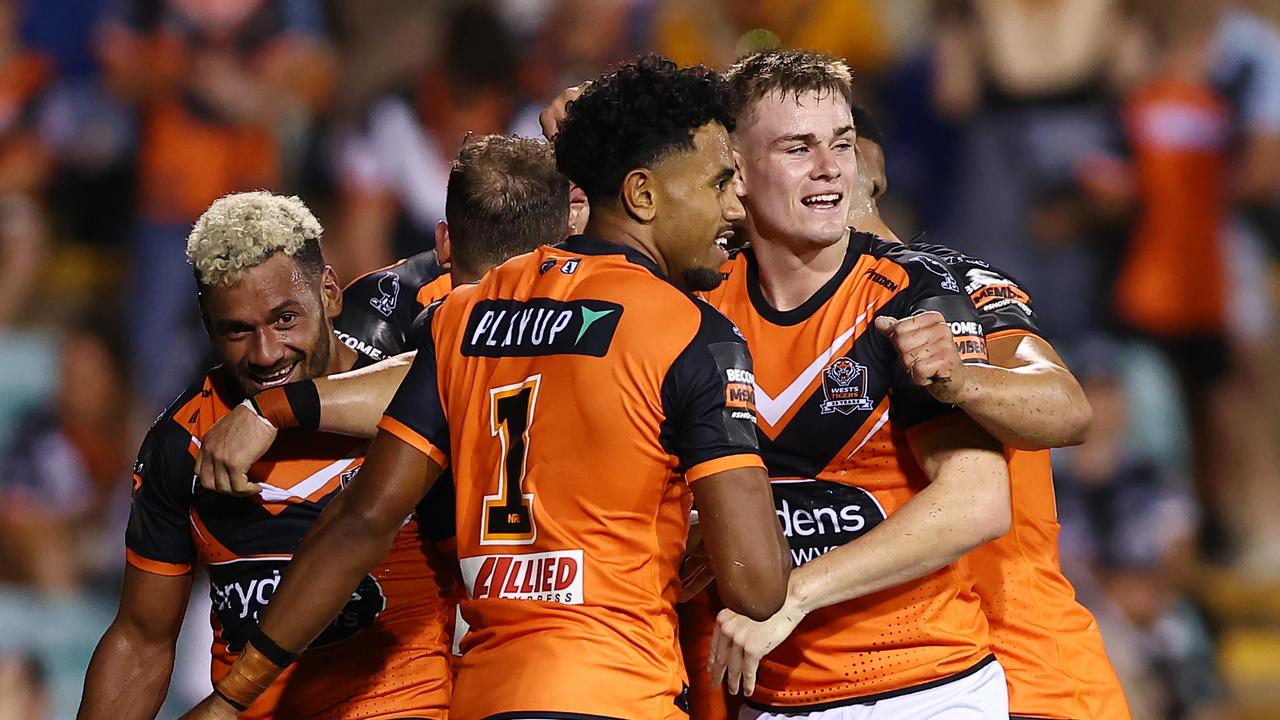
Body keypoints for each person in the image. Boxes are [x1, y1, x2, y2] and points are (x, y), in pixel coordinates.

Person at [179, 56, 791, 720]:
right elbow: (757, 587)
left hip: (487, 698)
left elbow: (359, 524)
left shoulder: (461, 319)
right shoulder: (694, 334)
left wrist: (232, 697)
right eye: (720, 182)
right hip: (617, 693)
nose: (736, 205)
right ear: (642, 195)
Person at [77, 192, 453, 720]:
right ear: (208, 329)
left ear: (329, 292)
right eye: (237, 330)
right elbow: (142, 639)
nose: (266, 353)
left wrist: (272, 410)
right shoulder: (181, 442)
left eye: (284, 320)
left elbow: (447, 383)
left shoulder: (402, 382)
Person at [850, 103, 1132, 720]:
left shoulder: (958, 284)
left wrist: (955, 378)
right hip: (890, 673)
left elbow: (1066, 406)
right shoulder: (756, 310)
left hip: (1026, 673)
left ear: (863, 167)